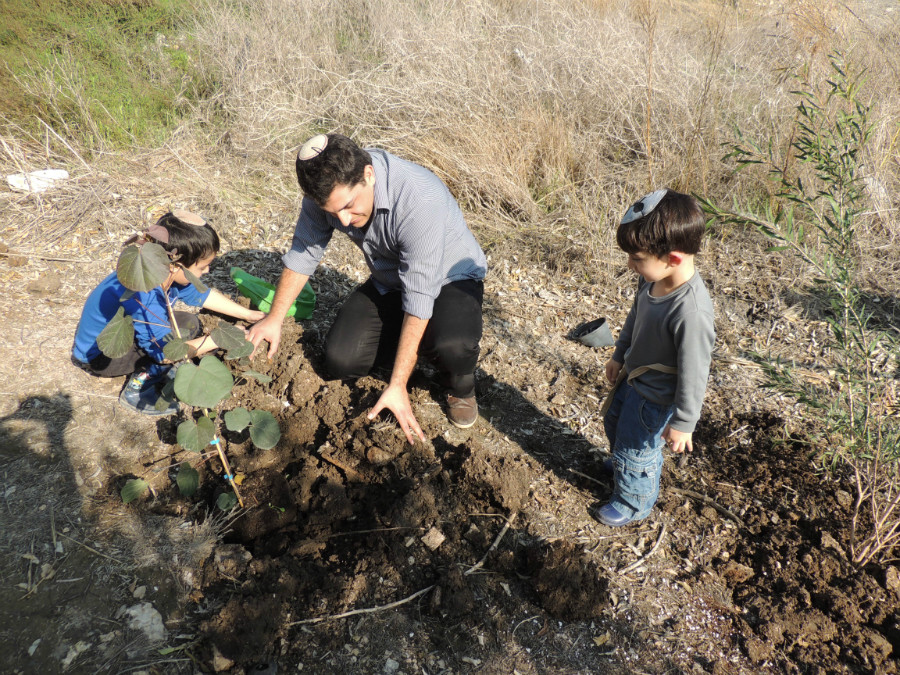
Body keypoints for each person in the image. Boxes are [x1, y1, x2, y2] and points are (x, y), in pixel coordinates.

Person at [247, 133, 487, 441]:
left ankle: (460, 384)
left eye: (348, 206)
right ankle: (416, 345)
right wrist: (274, 318)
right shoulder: (325, 196)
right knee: (340, 360)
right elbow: (304, 252)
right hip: (391, 282)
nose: (344, 221)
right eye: (333, 213)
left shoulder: (418, 199)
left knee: (452, 345)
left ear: (368, 175)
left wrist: (398, 384)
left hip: (448, 279)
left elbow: (420, 295)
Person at [590, 189, 715, 527]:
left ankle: (634, 501)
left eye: (637, 258)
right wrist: (619, 354)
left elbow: (694, 372)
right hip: (634, 377)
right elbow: (635, 318)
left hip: (656, 398)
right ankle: (623, 463)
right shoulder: (653, 281)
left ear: (673, 258)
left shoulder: (691, 313)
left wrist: (684, 423)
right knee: (615, 425)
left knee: (638, 447)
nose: (631, 265)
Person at [72, 210, 265, 415]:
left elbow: (201, 295)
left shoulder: (159, 269)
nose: (207, 272)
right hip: (102, 355)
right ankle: (138, 391)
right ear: (176, 266)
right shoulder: (143, 290)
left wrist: (248, 314)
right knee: (170, 350)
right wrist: (218, 340)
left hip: (125, 333)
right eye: (204, 267)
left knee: (189, 323)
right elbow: (163, 352)